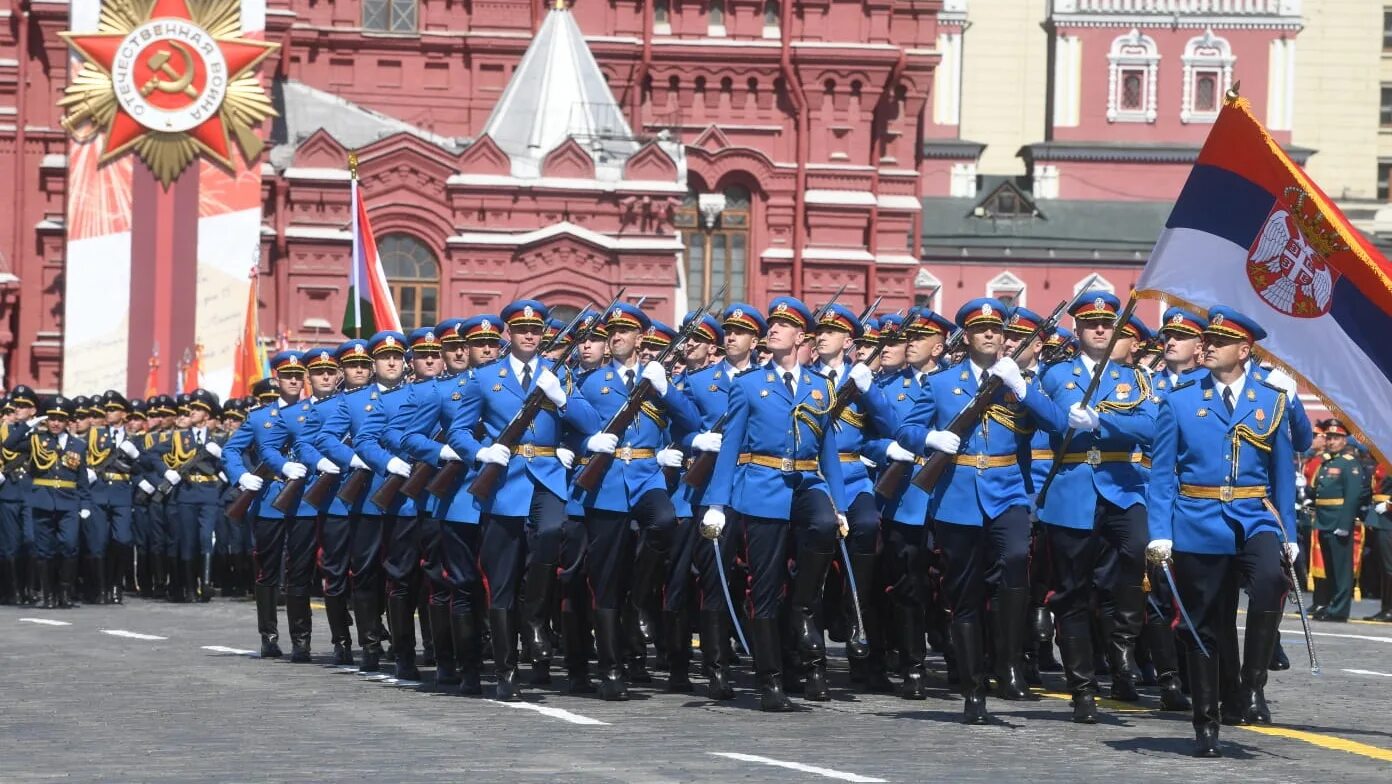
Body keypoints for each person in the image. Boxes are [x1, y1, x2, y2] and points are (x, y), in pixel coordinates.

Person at [1146, 305, 1296, 757]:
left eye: (1219, 342)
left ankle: (1252, 683)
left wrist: (1288, 531)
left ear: (1244, 350)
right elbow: (1161, 473)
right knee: (1203, 623)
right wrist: (1160, 531)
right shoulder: (1181, 399)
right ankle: (1206, 722)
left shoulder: (1271, 399)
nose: (1208, 346)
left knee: (1271, 579)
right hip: (1197, 516)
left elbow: (1283, 472)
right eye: (1206, 340)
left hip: (1255, 514)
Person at [892, 297, 1051, 724]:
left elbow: (1055, 422)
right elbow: (905, 429)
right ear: (967, 336)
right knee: (964, 596)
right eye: (981, 329)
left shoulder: (1018, 381)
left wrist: (1020, 386)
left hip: (1009, 492)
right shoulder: (942, 384)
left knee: (1016, 558)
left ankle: (1009, 659)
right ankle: (972, 687)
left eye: (996, 330)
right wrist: (930, 439)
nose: (989, 335)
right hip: (958, 495)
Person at [702, 296, 849, 711]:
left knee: (821, 525)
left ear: (802, 336)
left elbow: (829, 450)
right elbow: (730, 446)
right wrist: (718, 501)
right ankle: (770, 679)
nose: (774, 330)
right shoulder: (748, 385)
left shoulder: (820, 387)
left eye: (784, 326)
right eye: (772, 325)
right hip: (762, 486)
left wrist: (839, 504)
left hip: (806, 481)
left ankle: (804, 605)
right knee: (764, 589)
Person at [572, 302, 699, 700]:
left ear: (640, 339)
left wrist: (664, 390)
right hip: (607, 481)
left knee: (663, 521)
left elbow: (691, 423)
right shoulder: (593, 383)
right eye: (612, 332)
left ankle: (640, 596)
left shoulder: (658, 380)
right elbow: (569, 429)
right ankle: (611, 670)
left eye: (625, 332)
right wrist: (585, 443)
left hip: (647, 477)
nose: (617, 337)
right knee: (606, 581)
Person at [1308, 419, 1362, 623]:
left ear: (1344, 440)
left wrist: (1344, 524)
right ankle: (1331, 605)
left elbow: (1352, 496)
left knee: (1341, 570)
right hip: (1324, 521)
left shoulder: (1349, 464)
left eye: (1336, 438)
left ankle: (1339, 609)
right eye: (1329, 438)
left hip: (1338, 521)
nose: (1331, 441)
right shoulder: (1328, 462)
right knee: (1330, 568)